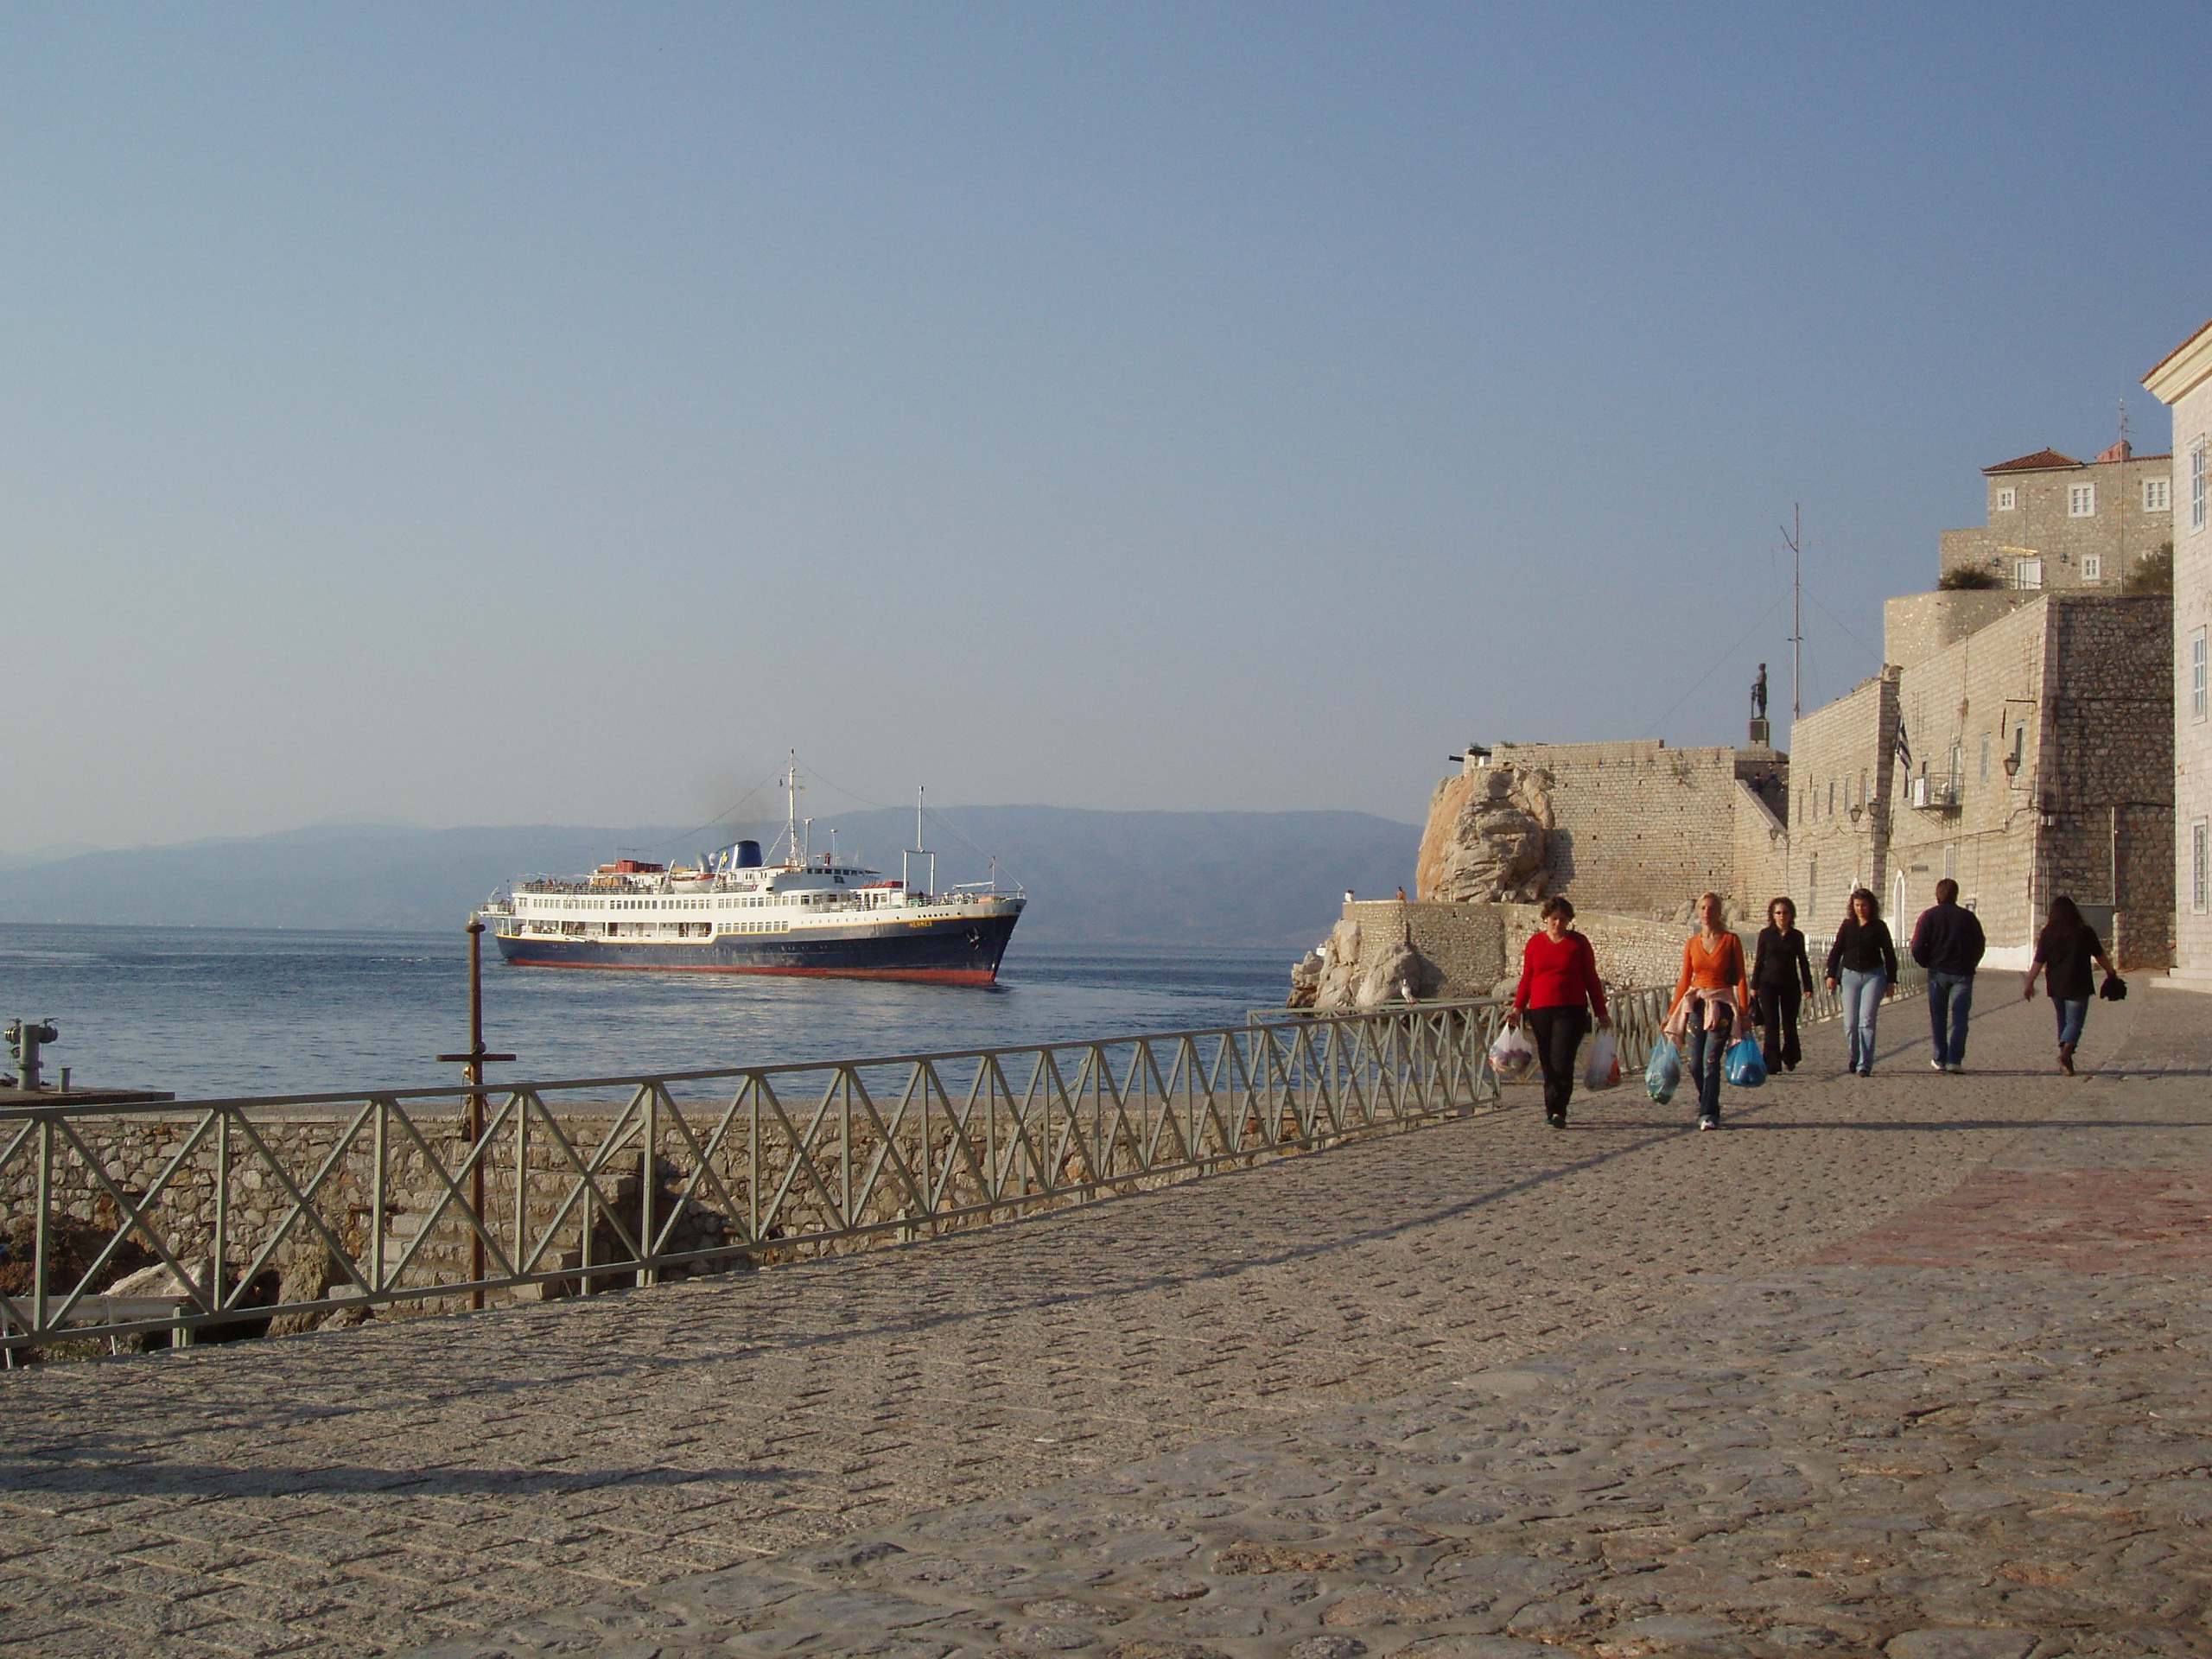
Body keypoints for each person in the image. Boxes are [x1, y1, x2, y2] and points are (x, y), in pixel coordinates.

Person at [1508, 896, 1611, 1128]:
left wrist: (1601, 1012)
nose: (1557, 924)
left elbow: (1591, 978)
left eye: (1563, 920)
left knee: (1562, 1059)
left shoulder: (1579, 943)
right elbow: (1527, 978)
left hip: (1571, 1010)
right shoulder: (1535, 944)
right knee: (1547, 1061)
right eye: (1554, 919)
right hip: (1541, 1010)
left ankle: (1559, 1110)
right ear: (1546, 918)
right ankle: (1551, 1107)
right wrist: (1517, 1009)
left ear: (1569, 920)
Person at [1665, 891, 1750, 1131]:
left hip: (1721, 1004)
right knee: (1694, 1063)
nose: (1706, 913)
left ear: (1719, 912)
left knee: (1710, 1060)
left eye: (1711, 908)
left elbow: (1741, 978)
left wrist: (1744, 1012)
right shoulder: (1692, 943)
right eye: (1703, 908)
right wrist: (1672, 1013)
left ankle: (1709, 1113)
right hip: (1696, 1004)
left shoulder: (1731, 941)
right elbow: (1685, 979)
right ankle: (1707, 1100)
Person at [2023, 894, 2115, 1076]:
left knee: (2063, 1020)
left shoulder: (2048, 934)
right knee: (2075, 1022)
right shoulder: (2085, 932)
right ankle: (2066, 1053)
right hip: (2078, 983)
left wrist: (2030, 982)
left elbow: (2039, 961)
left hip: (2056, 985)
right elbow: (2100, 956)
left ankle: (2066, 1058)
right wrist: (2111, 972)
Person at [1910, 878, 1986, 1073]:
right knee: (1960, 1018)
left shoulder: (1928, 917)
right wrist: (1971, 963)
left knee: (1938, 1017)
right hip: (1962, 973)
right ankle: (1955, 1060)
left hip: (1937, 972)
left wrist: (1926, 962)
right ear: (1956, 895)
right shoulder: (1968, 918)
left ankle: (1940, 1057)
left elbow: (1917, 946)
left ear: (1937, 895)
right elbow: (1980, 944)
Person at [1825, 888, 1898, 1077]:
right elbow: (1837, 950)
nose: (1861, 909)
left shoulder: (1879, 927)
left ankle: (1865, 1064)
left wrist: (1891, 980)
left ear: (1871, 906)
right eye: (1857, 905)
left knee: (1866, 1021)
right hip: (1850, 976)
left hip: (1873, 976)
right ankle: (1855, 1055)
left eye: (1864, 905)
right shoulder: (1848, 926)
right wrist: (1831, 975)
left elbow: (1889, 954)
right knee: (1850, 1023)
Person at [1750, 897, 1815, 1073]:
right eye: (1778, 913)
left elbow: (1803, 962)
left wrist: (1808, 986)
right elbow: (1759, 960)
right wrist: (1754, 986)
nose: (1782, 916)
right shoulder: (1765, 935)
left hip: (1790, 985)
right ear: (1773, 915)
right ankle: (1772, 1063)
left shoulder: (1796, 936)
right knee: (1771, 1024)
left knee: (1789, 1024)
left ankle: (1791, 1057)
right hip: (1768, 984)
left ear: (1791, 915)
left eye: (1785, 913)